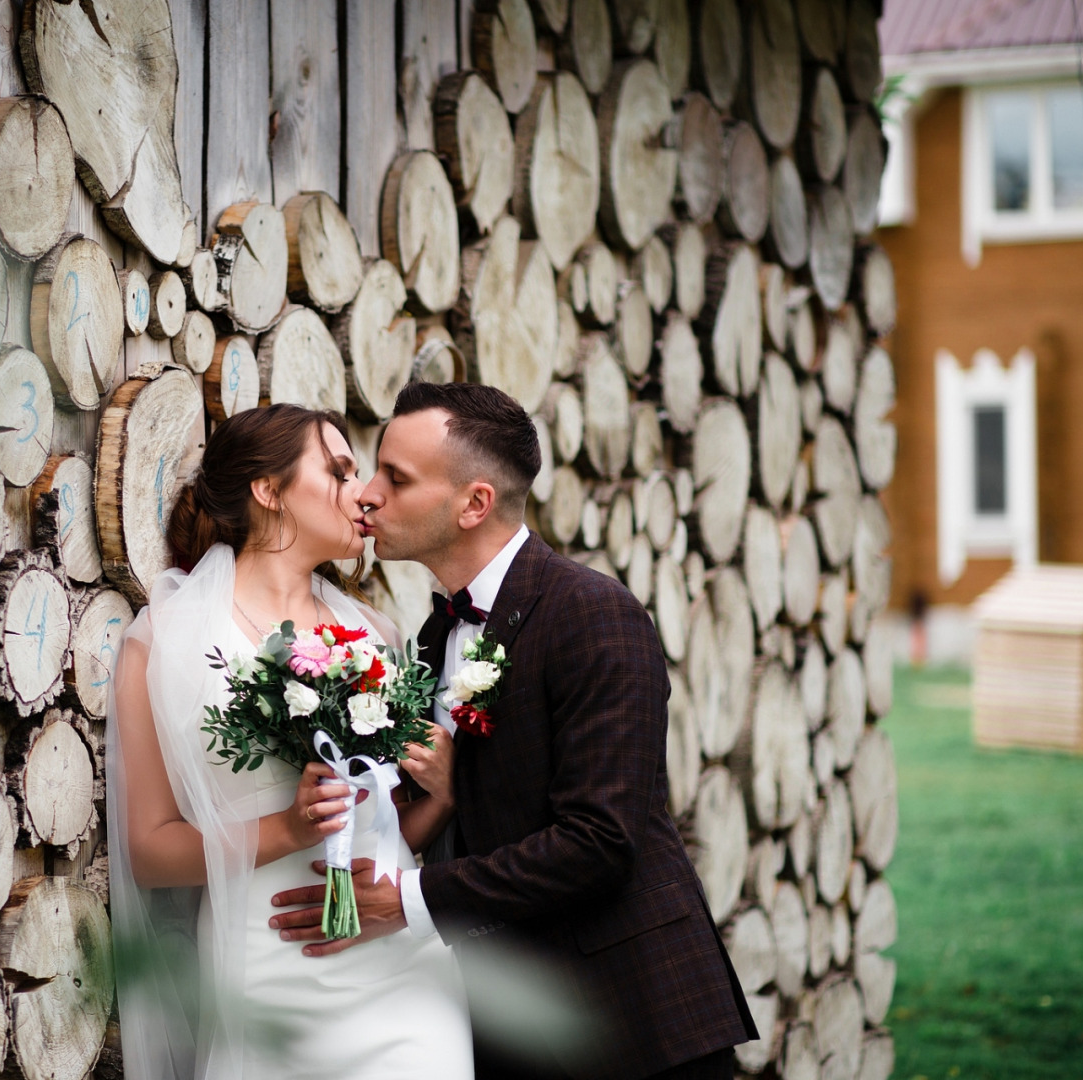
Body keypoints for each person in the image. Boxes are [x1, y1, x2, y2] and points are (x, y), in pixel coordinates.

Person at [268, 383, 759, 1080]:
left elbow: (599, 841)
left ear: (474, 503)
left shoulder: (592, 613)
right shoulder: (437, 634)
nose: (367, 495)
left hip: (632, 1018)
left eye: (395, 478)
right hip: (508, 1020)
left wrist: (404, 900)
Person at [106, 403, 474, 1079]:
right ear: (267, 491)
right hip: (267, 966)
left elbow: (378, 828)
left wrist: (443, 800)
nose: (362, 493)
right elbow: (150, 851)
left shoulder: (376, 634)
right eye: (337, 471)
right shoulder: (164, 643)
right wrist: (287, 828)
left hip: (403, 972)